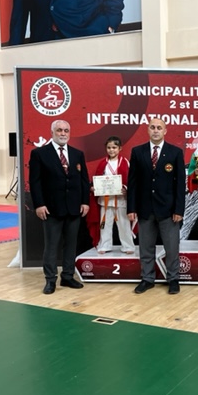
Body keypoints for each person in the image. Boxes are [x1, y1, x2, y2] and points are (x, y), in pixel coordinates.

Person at [29, 119, 90, 294]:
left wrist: (85, 201)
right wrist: (39, 205)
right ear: (52, 133)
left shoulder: (77, 154)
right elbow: (35, 182)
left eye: (66, 130)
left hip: (74, 208)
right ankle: (50, 280)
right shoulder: (39, 154)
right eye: (59, 130)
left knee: (71, 245)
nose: (63, 133)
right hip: (51, 209)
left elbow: (83, 180)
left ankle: (68, 276)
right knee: (51, 246)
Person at [127, 118, 186, 295]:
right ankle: (147, 278)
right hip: (145, 208)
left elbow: (180, 184)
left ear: (165, 131)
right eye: (152, 127)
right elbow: (133, 182)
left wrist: (179, 209)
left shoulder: (175, 152)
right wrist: (131, 208)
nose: (155, 130)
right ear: (148, 130)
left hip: (168, 210)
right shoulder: (138, 152)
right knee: (146, 247)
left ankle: (173, 279)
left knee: (172, 247)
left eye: (159, 127)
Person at [87, 136, 135, 255]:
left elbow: (131, 179)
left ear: (120, 148)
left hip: (121, 199)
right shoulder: (103, 163)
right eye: (109, 148)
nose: (111, 150)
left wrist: (126, 189)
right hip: (106, 200)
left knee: (123, 224)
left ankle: (128, 246)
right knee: (105, 224)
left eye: (114, 147)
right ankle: (105, 245)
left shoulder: (125, 162)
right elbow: (98, 179)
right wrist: (95, 188)